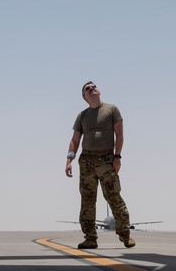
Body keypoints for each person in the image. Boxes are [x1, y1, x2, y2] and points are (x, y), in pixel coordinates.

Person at [64, 81, 135, 249]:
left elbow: (119, 134)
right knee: (87, 201)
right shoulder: (82, 116)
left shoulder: (111, 109)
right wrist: (69, 160)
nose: (92, 88)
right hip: (87, 161)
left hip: (106, 159)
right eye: (88, 89)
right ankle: (90, 238)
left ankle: (125, 235)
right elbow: (75, 140)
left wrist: (117, 157)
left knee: (114, 197)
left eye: (93, 86)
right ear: (85, 97)